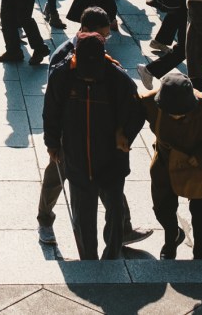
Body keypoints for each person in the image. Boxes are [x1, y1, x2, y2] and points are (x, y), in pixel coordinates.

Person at [42, 32, 144, 259]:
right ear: (75, 55)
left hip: (112, 159)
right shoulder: (62, 75)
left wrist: (125, 134)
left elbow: (136, 112)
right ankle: (88, 260)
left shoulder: (117, 77)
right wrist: (52, 143)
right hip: (76, 158)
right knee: (82, 216)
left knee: (115, 212)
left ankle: (111, 257)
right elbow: (51, 112)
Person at [142, 70, 202, 260]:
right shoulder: (150, 101)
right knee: (162, 208)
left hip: (198, 166)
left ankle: (201, 253)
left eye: (181, 113)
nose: (176, 116)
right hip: (165, 161)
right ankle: (172, 237)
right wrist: (123, 135)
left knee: (201, 212)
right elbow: (131, 112)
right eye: (171, 113)